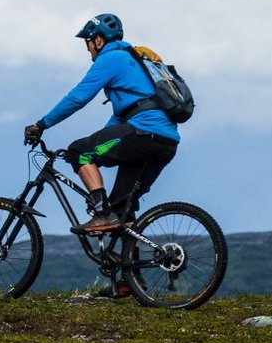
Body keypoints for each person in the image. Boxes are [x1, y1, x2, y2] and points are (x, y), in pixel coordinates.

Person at [24, 13, 181, 235]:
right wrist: (97, 140)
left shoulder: (110, 59)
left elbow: (77, 98)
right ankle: (130, 267)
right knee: (122, 212)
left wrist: (41, 125)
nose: (88, 49)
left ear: (98, 40)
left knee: (79, 152)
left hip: (144, 132)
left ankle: (100, 214)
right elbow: (119, 120)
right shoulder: (131, 59)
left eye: (88, 43)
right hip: (165, 142)